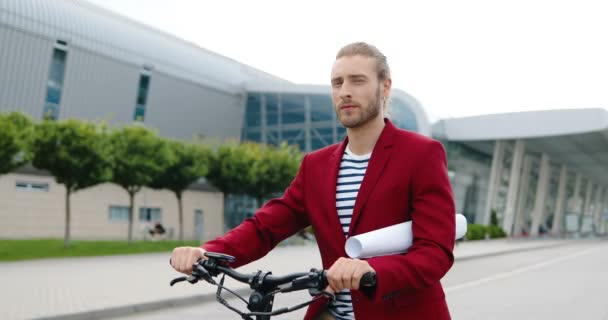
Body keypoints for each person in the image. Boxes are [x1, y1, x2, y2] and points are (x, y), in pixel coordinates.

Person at [170, 42, 456, 320]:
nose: (345, 92)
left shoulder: (421, 154)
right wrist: (208, 252)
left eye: (357, 81)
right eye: (337, 83)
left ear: (385, 87)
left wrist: (373, 270)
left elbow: (435, 253)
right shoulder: (316, 165)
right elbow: (265, 227)